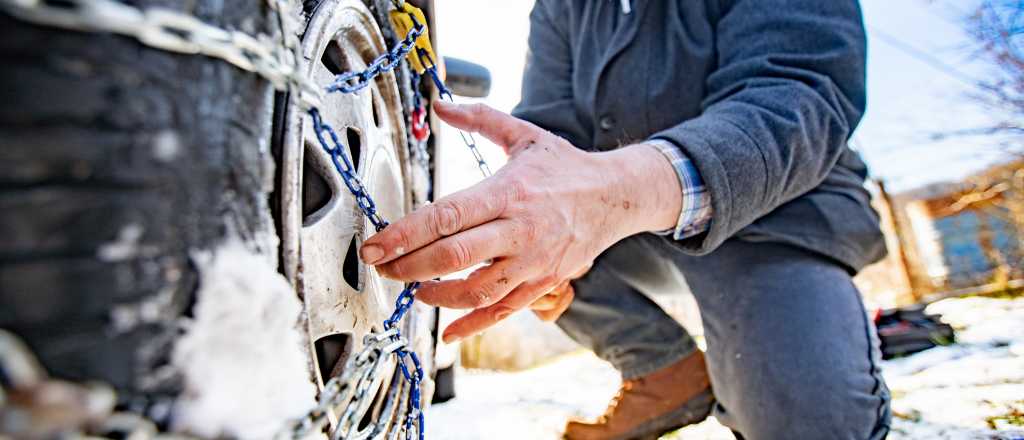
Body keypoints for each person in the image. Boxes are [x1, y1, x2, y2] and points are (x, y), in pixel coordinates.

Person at [359, 0, 891, 438]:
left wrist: (609, 196)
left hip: (775, 217)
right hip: (629, 232)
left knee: (806, 420)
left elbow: (796, 92)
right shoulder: (561, 9)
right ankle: (660, 367)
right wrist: (537, 241)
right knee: (521, 236)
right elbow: (551, 133)